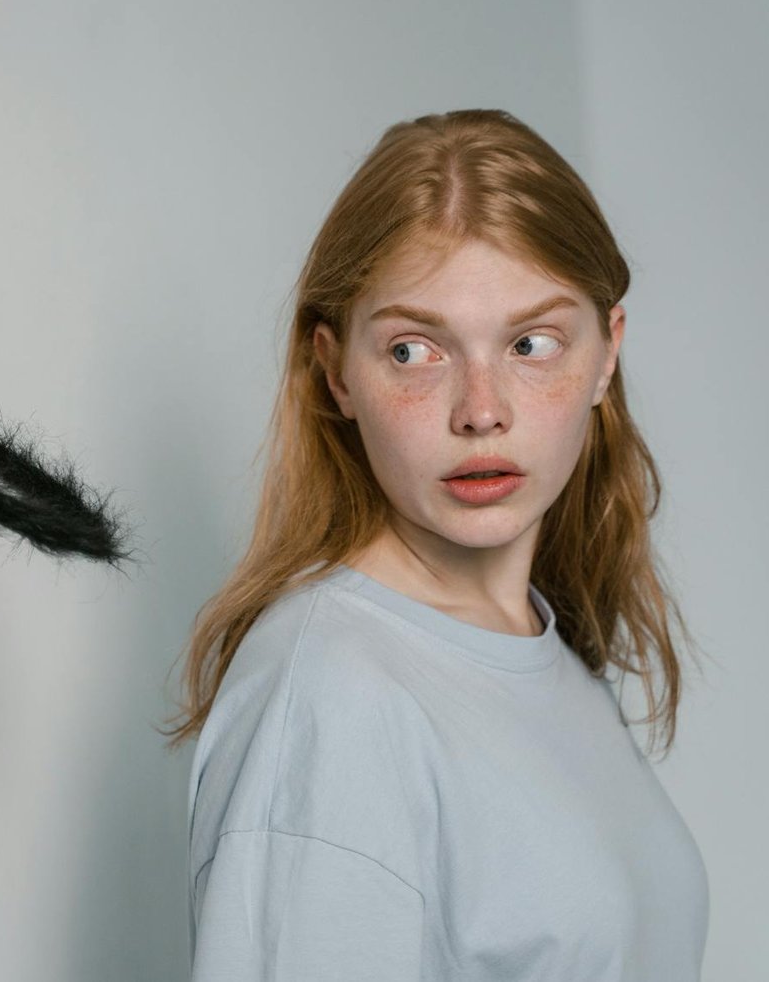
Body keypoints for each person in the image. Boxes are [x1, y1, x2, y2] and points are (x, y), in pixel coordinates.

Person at [160, 109, 712, 980]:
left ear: (607, 353)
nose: (481, 409)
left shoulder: (541, 652)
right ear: (337, 369)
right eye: (415, 351)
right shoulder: (336, 694)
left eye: (533, 344)